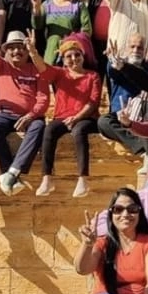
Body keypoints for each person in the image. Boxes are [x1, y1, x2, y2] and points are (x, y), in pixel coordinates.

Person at [0, 0, 48, 196]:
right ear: (6, 51)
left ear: (27, 51)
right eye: (12, 48)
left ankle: (12, 173)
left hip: (29, 117)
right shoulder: (0, 67)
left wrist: (31, 115)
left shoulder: (37, 70)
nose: (17, 51)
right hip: (4, 114)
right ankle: (9, 173)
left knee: (40, 127)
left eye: (21, 48)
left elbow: (43, 98)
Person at [28, 36, 101, 198]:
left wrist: (76, 118)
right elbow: (42, 67)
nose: (74, 59)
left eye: (77, 55)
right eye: (69, 56)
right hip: (62, 117)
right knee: (49, 130)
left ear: (83, 56)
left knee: (79, 131)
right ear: (63, 60)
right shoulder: (60, 74)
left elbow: (93, 102)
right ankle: (47, 178)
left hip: (86, 118)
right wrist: (33, 52)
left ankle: (83, 179)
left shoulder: (92, 76)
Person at [33, 0, 92, 65]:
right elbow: (37, 25)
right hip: (51, 52)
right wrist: (36, 8)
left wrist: (69, 42)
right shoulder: (47, 5)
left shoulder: (78, 6)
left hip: (72, 55)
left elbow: (87, 30)